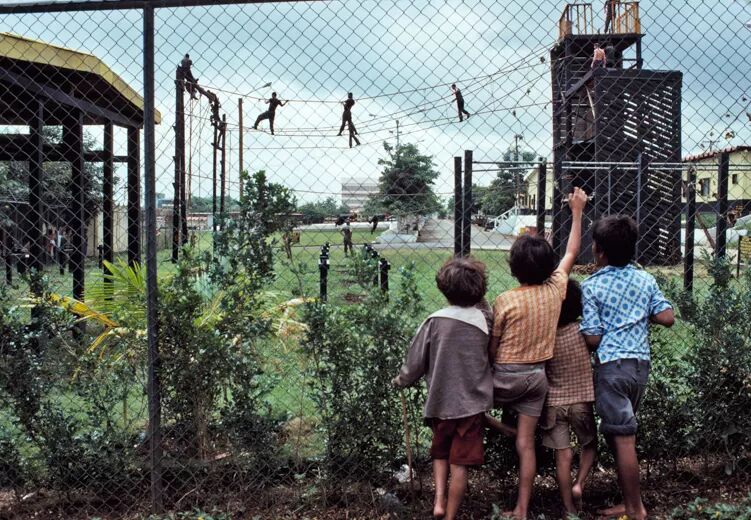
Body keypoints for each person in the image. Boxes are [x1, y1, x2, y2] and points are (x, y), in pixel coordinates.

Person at [488, 187, 588, 520]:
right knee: (526, 443)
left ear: (513, 269)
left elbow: (493, 347)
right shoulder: (556, 288)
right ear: (549, 267)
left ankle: (486, 421)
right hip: (536, 380)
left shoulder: (505, 300)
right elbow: (572, 250)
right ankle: (521, 509)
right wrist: (577, 212)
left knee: (466, 405)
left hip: (504, 377)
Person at [580, 215, 675, 520]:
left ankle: (635, 509)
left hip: (612, 368)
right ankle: (629, 502)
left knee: (623, 440)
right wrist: (639, 314)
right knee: (618, 435)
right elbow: (667, 317)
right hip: (639, 368)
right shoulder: (645, 280)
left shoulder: (592, 286)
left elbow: (593, 338)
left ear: (598, 250)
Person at [393, 257, 494, 520]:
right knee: (459, 465)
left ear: (443, 288)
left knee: (440, 453)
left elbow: (415, 362)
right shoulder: (485, 321)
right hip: (471, 406)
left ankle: (438, 501)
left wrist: (402, 380)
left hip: (440, 403)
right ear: (479, 290)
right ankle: (449, 515)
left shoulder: (433, 322)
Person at [540, 279, 597, 516]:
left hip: (554, 404)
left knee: (562, 455)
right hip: (581, 401)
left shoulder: (545, 336)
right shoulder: (583, 332)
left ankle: (568, 507)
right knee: (589, 444)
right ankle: (579, 483)